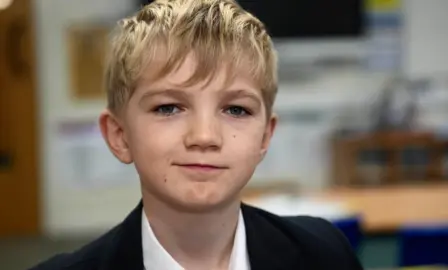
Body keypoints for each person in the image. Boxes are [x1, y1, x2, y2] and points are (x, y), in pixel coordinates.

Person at [31, 0, 363, 269]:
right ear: (119, 135)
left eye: (236, 110)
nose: (204, 136)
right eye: (168, 108)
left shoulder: (324, 254)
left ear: (264, 136)